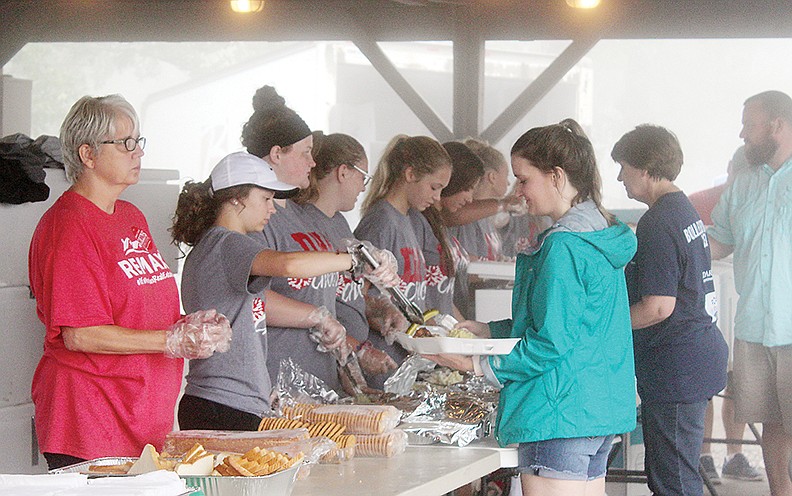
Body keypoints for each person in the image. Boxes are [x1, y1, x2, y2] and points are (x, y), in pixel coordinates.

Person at [427, 119, 637, 496]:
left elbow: (551, 342)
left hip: (557, 411)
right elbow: (572, 323)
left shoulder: (563, 246)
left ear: (556, 176)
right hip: (596, 408)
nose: (519, 192)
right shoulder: (600, 234)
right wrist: (489, 330)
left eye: (524, 179)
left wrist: (477, 363)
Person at [28, 95, 232, 469]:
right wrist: (171, 341)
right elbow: (80, 334)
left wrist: (191, 327)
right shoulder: (69, 225)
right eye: (124, 143)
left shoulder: (129, 215)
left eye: (138, 141)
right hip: (90, 418)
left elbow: (142, 307)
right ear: (87, 154)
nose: (136, 152)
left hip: (139, 414)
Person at [172, 151, 378, 430]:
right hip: (224, 404)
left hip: (231, 401)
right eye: (266, 199)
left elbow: (256, 308)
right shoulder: (228, 244)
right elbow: (289, 264)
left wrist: (318, 316)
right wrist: (353, 260)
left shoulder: (220, 245)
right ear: (236, 197)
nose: (272, 209)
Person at [241, 86, 397, 393]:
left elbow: (328, 299)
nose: (313, 163)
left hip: (318, 379)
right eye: (305, 153)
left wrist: (349, 373)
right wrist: (316, 317)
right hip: (277, 380)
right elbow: (249, 300)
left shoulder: (301, 217)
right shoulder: (257, 221)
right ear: (276, 154)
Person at [612, 124, 729, 496]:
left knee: (674, 482)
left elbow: (659, 306)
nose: (619, 177)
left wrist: (605, 326)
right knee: (673, 474)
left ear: (645, 169)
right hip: (694, 355)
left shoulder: (659, 221)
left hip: (676, 365)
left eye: (624, 167)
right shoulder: (685, 212)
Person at [708, 90, 792, 496]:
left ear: (777, 124)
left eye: (749, 124)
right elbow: (719, 242)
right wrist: (664, 244)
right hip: (756, 326)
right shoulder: (742, 184)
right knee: (773, 422)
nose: (742, 134)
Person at [292, 132, 400, 385]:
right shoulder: (299, 221)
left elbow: (344, 293)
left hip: (335, 364)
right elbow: (311, 300)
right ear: (343, 172)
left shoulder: (339, 223)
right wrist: (358, 348)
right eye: (363, 177)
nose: (364, 187)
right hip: (305, 365)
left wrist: (379, 307)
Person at [691, 146, 763, 484]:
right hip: (708, 305)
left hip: (748, 306)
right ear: (730, 168)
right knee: (706, 381)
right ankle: (703, 453)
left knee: (738, 383)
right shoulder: (698, 202)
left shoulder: (763, 200)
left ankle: (734, 454)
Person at [354, 135, 452, 372]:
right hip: (383, 358)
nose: (437, 198)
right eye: (434, 187)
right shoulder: (380, 222)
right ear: (410, 175)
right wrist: (388, 320)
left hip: (407, 357)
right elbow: (355, 295)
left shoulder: (413, 220)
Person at [410, 141, 484, 320]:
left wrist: (462, 329)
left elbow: (444, 297)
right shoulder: (418, 223)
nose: (470, 199)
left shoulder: (440, 225)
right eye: (467, 189)